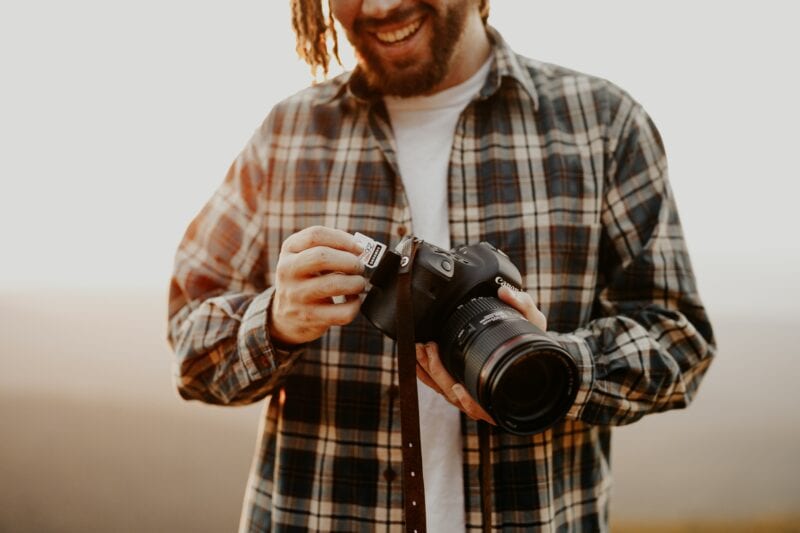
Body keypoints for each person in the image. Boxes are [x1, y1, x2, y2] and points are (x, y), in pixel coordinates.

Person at [167, 0, 716, 531]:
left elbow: (679, 339)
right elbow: (189, 341)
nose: (380, 6)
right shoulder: (288, 135)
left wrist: (553, 368)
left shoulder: (601, 125)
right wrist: (277, 323)